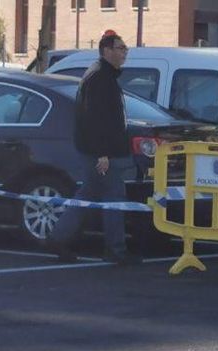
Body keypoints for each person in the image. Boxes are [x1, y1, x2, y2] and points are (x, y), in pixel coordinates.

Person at [46, 32, 140, 265]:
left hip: (99, 152)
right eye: (120, 48)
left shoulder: (103, 76)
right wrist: (103, 154)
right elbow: (95, 120)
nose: (124, 52)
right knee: (114, 198)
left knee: (88, 195)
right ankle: (115, 250)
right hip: (101, 154)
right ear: (106, 51)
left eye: (125, 48)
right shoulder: (100, 78)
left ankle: (58, 238)